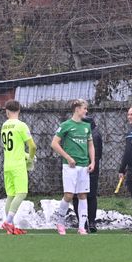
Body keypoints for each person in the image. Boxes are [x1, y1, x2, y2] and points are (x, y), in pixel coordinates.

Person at [51, 99, 95, 236]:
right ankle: (60, 222)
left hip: (84, 166)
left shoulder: (87, 126)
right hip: (70, 167)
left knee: (82, 195)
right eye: (84, 108)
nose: (86, 111)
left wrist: (92, 161)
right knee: (69, 195)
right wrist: (68, 157)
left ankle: (82, 227)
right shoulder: (66, 125)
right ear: (77, 109)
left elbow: (90, 145)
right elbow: (54, 143)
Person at [0, 100, 37, 235]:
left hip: (7, 165)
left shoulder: (4, 125)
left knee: (11, 195)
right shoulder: (21, 125)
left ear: (7, 111)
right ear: (19, 110)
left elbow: (12, 147)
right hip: (18, 165)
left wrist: (25, 155)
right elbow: (33, 146)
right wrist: (30, 160)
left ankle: (10, 228)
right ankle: (8, 221)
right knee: (21, 193)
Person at [73, 116, 103, 233]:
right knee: (91, 196)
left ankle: (83, 223)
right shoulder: (96, 134)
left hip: (81, 167)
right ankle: (91, 222)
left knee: (77, 196)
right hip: (92, 168)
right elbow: (99, 154)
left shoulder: (84, 134)